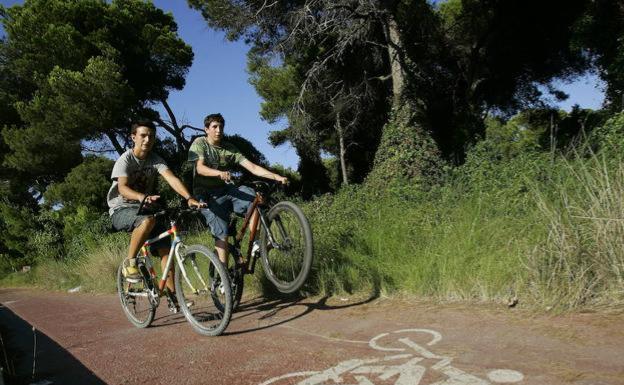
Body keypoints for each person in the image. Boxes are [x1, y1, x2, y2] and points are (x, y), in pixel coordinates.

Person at [107, 119, 203, 302]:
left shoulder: (155, 159)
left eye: (151, 136)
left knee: (167, 247)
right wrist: (141, 197)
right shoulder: (125, 159)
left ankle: (173, 296)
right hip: (121, 209)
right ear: (133, 137)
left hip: (146, 207)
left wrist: (189, 198)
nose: (147, 139)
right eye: (143, 135)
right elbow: (122, 188)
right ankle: (130, 263)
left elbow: (172, 179)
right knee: (147, 221)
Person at [188, 113, 287, 267]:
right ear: (206, 129)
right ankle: (224, 276)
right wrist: (219, 173)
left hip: (226, 190)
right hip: (206, 195)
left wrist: (277, 177)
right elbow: (199, 168)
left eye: (221, 127)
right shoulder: (199, 143)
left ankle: (255, 243)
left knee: (254, 199)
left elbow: (252, 167)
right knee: (222, 234)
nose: (218, 130)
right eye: (214, 127)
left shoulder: (230, 148)